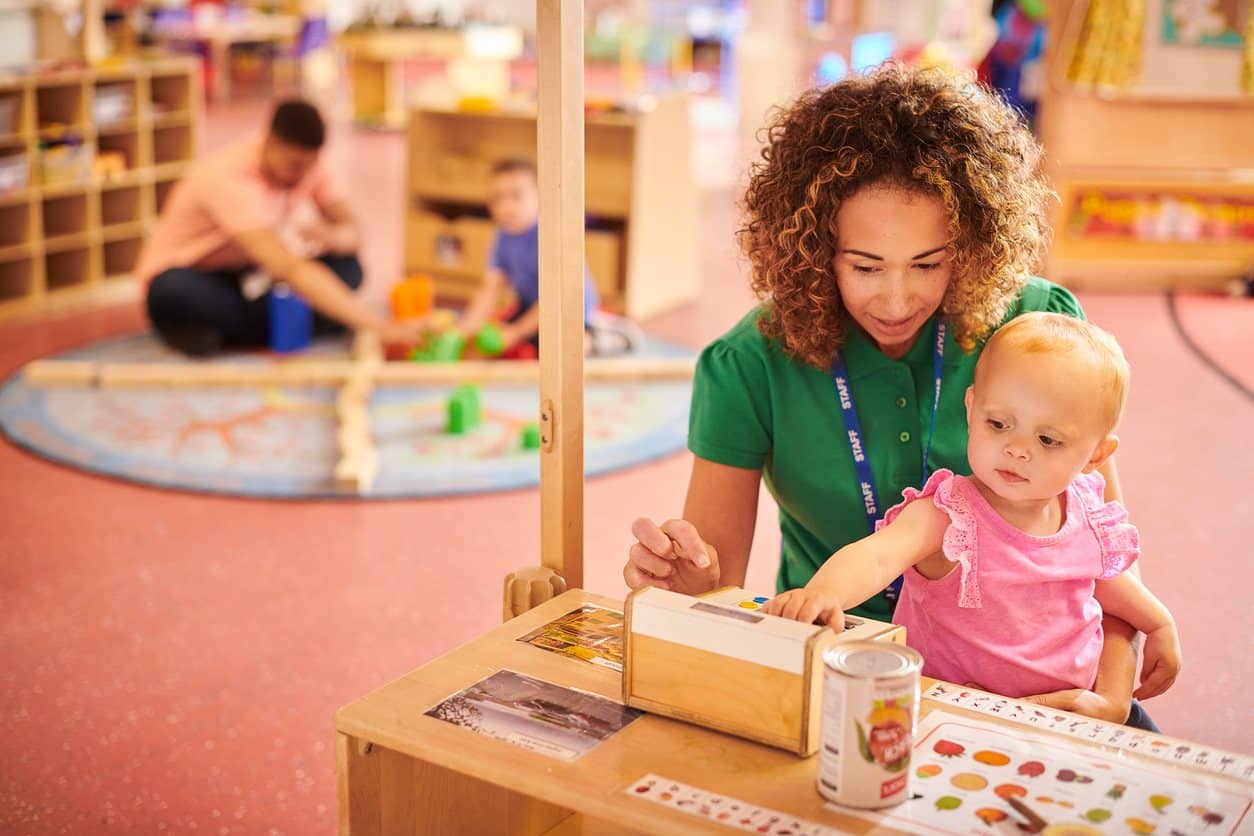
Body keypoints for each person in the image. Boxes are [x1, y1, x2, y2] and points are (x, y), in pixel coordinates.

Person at [622, 63, 1156, 728]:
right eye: (865, 267)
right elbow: (717, 583)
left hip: (1051, 676)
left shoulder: (1038, 330)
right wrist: (689, 580)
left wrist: (1108, 693)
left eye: (928, 264)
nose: (898, 300)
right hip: (847, 666)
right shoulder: (748, 364)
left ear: (969, 244)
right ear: (817, 251)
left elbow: (1098, 548)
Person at [762, 313, 1182, 714]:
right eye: (999, 424)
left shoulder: (1085, 512)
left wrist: (1160, 624)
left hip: (1077, 709)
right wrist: (824, 593)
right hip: (957, 715)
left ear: (1097, 455)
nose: (1018, 449)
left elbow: (1107, 584)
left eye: (1048, 440)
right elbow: (879, 555)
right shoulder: (950, 515)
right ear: (971, 408)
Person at [137, 99, 424, 355]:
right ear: (271, 143)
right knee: (172, 291)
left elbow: (354, 233)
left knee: (348, 268)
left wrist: (333, 236)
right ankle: (288, 323)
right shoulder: (229, 177)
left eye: (311, 165)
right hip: (201, 275)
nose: (304, 174)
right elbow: (288, 267)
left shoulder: (308, 164)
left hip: (252, 274)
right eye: (296, 166)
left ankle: (237, 332)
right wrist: (379, 326)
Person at [454, 158, 628, 356]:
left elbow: (553, 300)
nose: (505, 207)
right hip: (531, 305)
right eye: (496, 198)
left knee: (563, 350)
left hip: (567, 309)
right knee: (488, 339)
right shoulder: (502, 234)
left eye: (516, 196)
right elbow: (490, 288)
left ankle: (604, 338)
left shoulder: (548, 235)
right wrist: (463, 329)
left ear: (540, 197)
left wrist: (516, 333)